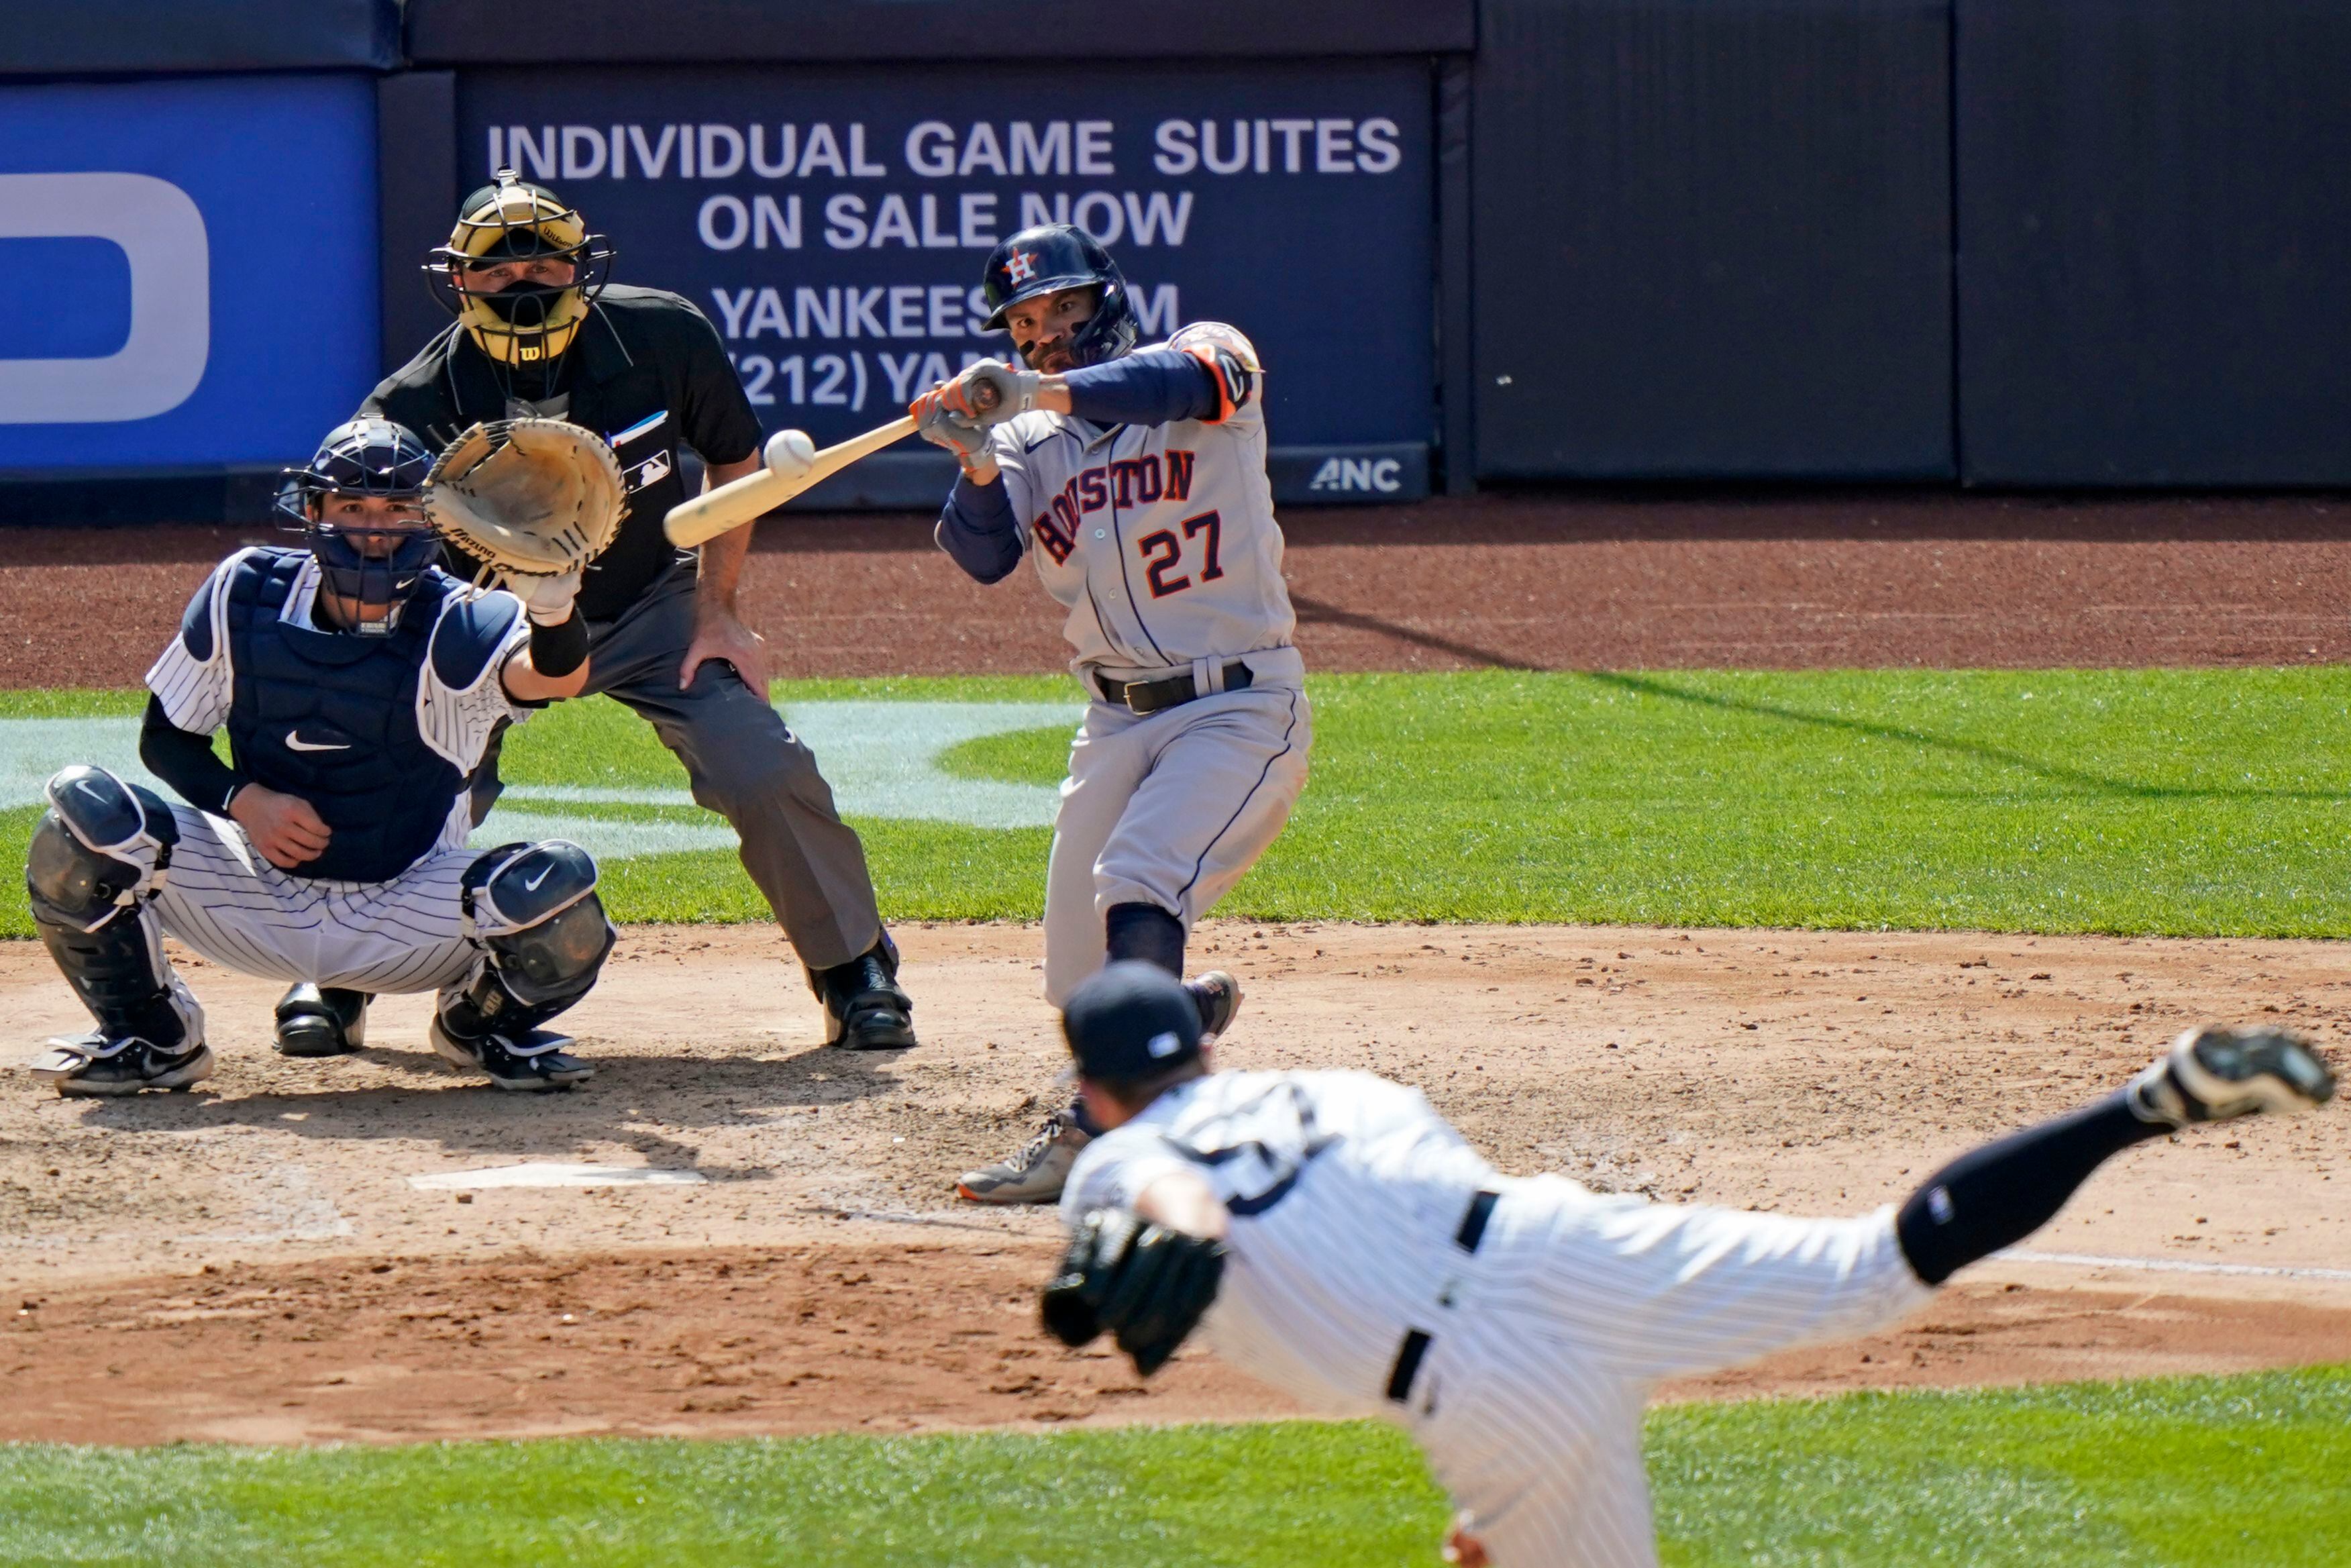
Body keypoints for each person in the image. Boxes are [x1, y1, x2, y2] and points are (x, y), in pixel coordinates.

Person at [1047, 962, 2337, 1568]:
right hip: (1562, 1243)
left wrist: (1190, 1220)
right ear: (1201, 1052)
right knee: (1875, 1265)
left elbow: (1168, 1186)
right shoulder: (1325, 1083)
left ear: (1095, 1090)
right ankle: (2143, 1103)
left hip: (1482, 1389)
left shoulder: (1117, 1168)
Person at [358, 168, 915, 1051]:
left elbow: (737, 465)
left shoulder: (664, 336)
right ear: (458, 281)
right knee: (413, 777)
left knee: (759, 761)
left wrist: (719, 609)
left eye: (544, 261)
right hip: (487, 620)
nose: (524, 281)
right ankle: (339, 975)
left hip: (648, 600)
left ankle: (854, 967)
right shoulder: (412, 405)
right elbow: (378, 546)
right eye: (498, 267)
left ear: (583, 268)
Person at [24, 419, 615, 1094]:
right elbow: (165, 738)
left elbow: (555, 677)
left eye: (397, 509)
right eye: (353, 507)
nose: (375, 529)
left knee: (559, 895)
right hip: (252, 894)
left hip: (406, 911)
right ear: (314, 512)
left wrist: (554, 606)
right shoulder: (243, 591)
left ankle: (479, 1027)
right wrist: (241, 801)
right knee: (81, 822)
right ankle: (154, 1038)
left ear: (431, 518)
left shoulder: (466, 616)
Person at [911, 223, 1312, 1203]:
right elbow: (982, 555)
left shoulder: (1211, 358)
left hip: (1238, 701)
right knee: (1081, 985)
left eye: (1063, 309)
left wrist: (1036, 391)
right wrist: (971, 458)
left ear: (1108, 300)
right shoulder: (1025, 437)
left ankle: (1103, 1131)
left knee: (1138, 878)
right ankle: (1170, 1013)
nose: (1045, 334)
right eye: (1026, 324)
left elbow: (1181, 384)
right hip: (1114, 719)